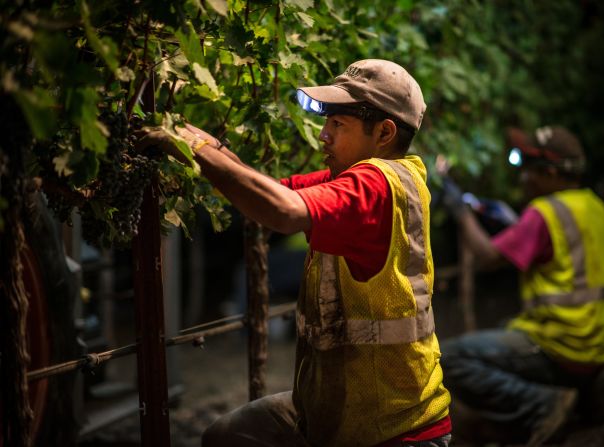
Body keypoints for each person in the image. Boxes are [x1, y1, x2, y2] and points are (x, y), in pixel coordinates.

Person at [138, 59, 452, 446]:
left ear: (385, 132)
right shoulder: (359, 177)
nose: (324, 135)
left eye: (338, 124)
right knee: (229, 436)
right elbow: (271, 191)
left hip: (394, 430)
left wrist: (199, 149)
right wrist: (204, 144)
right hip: (340, 412)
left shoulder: (375, 184)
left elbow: (283, 212)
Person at [438, 126, 604, 446]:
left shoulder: (544, 213)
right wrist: (514, 223)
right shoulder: (594, 206)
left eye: (531, 172)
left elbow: (486, 258)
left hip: (562, 345)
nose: (524, 179)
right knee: (505, 328)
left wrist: (459, 210)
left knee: (451, 357)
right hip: (600, 344)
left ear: (551, 172)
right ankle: (588, 394)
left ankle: (540, 404)